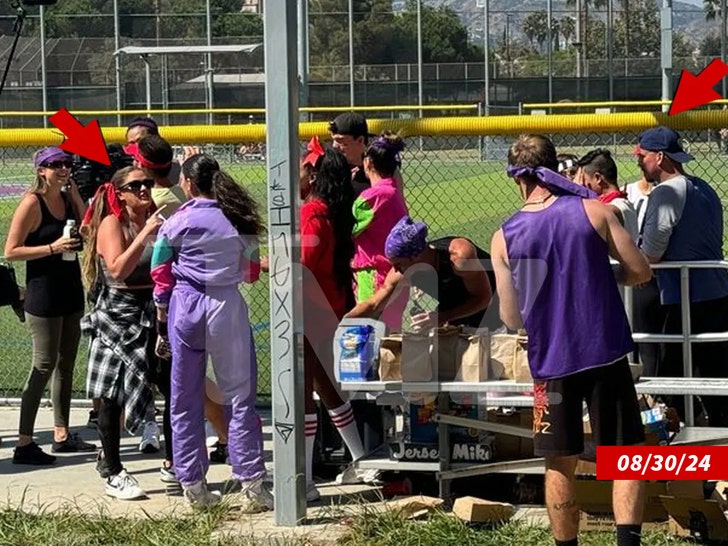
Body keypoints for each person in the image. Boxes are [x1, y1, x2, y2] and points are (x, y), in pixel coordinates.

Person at [491, 134, 651, 546]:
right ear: (554, 168)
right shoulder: (594, 212)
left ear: (516, 179)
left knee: (558, 464)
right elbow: (640, 270)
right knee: (625, 456)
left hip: (551, 361)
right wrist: (605, 275)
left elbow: (510, 317)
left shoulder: (503, 236)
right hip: (605, 351)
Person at [150, 153, 272, 510]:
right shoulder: (236, 218)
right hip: (225, 307)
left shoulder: (176, 221)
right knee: (239, 395)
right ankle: (252, 484)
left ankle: (194, 486)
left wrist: (162, 316)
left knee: (184, 396)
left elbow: (160, 272)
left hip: (184, 307)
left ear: (188, 183)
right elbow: (250, 272)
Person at [4, 146, 96, 465]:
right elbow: (11, 251)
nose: (63, 169)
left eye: (67, 163)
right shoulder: (33, 202)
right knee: (43, 366)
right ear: (41, 170)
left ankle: (61, 434)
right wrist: (51, 247)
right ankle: (24, 443)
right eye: (55, 164)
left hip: (71, 290)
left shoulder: (68, 198)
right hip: (42, 295)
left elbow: (88, 228)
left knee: (65, 365)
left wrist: (75, 197)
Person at [295, 138, 375, 500]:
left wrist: (268, 263)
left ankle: (306, 480)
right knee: (327, 389)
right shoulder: (334, 208)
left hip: (311, 308)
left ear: (312, 175)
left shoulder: (313, 211)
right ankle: (363, 459)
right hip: (333, 304)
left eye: (301, 166)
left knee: (305, 394)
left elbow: (305, 266)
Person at [80, 166, 164, 500]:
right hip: (119, 312)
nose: (144, 189)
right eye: (136, 185)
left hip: (153, 310)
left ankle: (175, 465)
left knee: (168, 384)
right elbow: (117, 268)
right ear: (120, 193)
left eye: (148, 183)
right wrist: (146, 235)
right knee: (112, 394)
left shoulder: (155, 218)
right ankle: (114, 470)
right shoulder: (113, 224)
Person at [636, 126, 728, 426]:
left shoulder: (666, 192)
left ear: (660, 157)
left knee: (669, 377)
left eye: (644, 156)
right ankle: (712, 435)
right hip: (713, 291)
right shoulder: (703, 186)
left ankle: (675, 446)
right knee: (711, 373)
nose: (640, 162)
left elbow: (651, 251)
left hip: (687, 297)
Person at [345, 216, 494, 332]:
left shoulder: (459, 257)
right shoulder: (404, 269)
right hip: (458, 310)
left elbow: (484, 297)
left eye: (397, 264)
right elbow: (373, 304)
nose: (395, 270)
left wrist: (442, 317)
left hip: (495, 304)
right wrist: (342, 323)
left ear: (414, 257)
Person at [352, 132, 409, 308]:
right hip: (395, 272)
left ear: (367, 163)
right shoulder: (394, 194)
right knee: (390, 331)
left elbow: (348, 227)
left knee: (368, 327)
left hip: (373, 274)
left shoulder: (373, 196)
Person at [329, 112, 404, 197]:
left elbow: (400, 205)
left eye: (340, 140)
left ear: (360, 140)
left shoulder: (383, 166)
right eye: (333, 140)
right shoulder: (332, 167)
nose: (334, 145)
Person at [575, 148, 639, 241]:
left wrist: (576, 191)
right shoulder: (623, 202)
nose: (584, 185)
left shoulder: (613, 208)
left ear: (597, 178)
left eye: (584, 180)